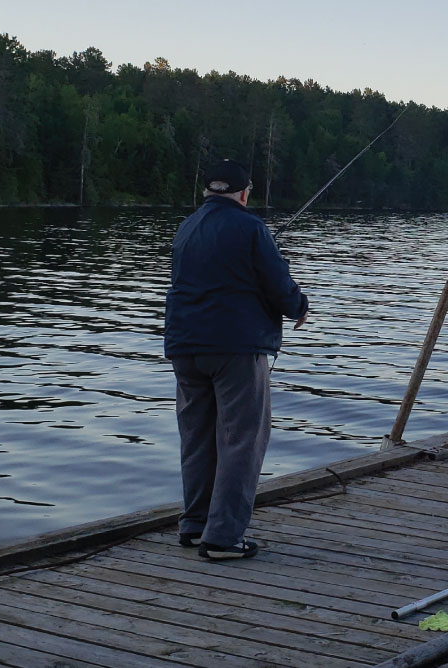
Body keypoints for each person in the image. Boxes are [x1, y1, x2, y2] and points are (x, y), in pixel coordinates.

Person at [164, 158, 308, 560]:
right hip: (235, 349)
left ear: (207, 192)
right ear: (245, 194)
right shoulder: (250, 227)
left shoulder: (186, 227)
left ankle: (194, 526)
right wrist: (298, 306)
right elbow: (278, 282)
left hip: (184, 347)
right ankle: (223, 538)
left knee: (197, 438)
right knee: (241, 440)